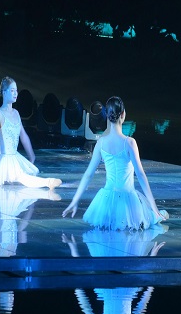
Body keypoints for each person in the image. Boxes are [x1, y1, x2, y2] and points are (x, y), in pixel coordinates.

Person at [62, 96, 168, 230]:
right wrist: (154, 207)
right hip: (128, 202)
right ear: (123, 114)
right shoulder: (129, 142)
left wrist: (74, 201)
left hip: (106, 203)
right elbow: (140, 175)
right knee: (160, 215)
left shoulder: (101, 143)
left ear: (107, 116)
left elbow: (88, 174)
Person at [0, 77, 61, 189]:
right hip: (2, 160)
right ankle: (48, 182)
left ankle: (47, 182)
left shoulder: (16, 113)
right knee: (20, 177)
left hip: (14, 156)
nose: (15, 93)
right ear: (4, 92)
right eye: (12, 90)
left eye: (16, 90)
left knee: (22, 176)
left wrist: (31, 155)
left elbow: (23, 136)